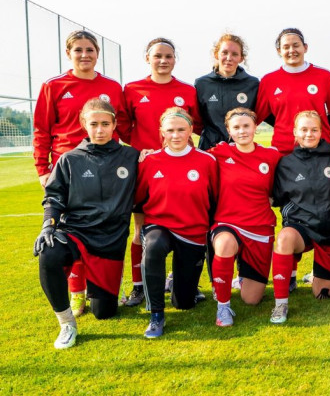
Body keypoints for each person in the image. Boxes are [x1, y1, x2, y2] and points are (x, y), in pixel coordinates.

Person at [33, 30, 124, 316]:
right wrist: (42, 169)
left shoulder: (112, 86)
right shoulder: (54, 85)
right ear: (68, 53)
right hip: (67, 168)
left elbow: (122, 128)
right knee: (71, 228)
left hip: (106, 167)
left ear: (98, 53)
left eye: (90, 50)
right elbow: (42, 129)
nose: (85, 55)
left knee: (103, 225)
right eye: (78, 50)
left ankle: (102, 289)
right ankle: (76, 293)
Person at [35, 99, 138, 349]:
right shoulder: (70, 159)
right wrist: (48, 226)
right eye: (94, 124)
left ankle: (89, 290)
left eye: (105, 124)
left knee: (104, 312)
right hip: (76, 231)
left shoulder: (132, 156)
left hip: (111, 239)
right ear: (84, 125)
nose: (100, 130)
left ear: (115, 124)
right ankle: (67, 323)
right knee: (49, 253)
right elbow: (54, 197)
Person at [117, 37, 200, 306]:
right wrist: (138, 149)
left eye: (168, 56)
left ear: (175, 59)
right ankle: (139, 285)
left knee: (185, 224)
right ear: (147, 58)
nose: (163, 60)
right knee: (140, 229)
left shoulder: (187, 90)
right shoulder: (132, 89)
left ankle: (180, 279)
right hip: (144, 168)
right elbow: (123, 125)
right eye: (157, 56)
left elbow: (196, 125)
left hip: (181, 168)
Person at [136, 107, 218, 338]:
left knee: (184, 303)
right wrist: (137, 230)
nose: (175, 135)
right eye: (170, 130)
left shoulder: (207, 161)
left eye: (181, 129)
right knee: (152, 247)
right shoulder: (150, 161)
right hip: (159, 226)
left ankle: (177, 285)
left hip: (192, 231)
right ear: (162, 132)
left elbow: (214, 198)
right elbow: (139, 198)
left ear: (191, 130)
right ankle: (156, 315)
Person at [205, 108, 282, 327]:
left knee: (251, 299)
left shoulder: (271, 155)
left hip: (260, 227)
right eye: (236, 127)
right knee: (225, 244)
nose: (242, 131)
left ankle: (239, 277)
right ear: (228, 131)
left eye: (246, 126)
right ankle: (223, 307)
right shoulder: (219, 153)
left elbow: (286, 182)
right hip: (228, 223)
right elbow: (189, 157)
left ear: (255, 127)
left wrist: (274, 199)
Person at [270, 111, 330, 324]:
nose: (309, 134)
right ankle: (281, 303)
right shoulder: (286, 164)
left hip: (329, 231)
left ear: (322, 132)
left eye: (314, 129)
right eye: (304, 129)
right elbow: (277, 198)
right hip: (300, 227)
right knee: (284, 238)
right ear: (295, 132)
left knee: (322, 294)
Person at [256, 28, 330, 154]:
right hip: (284, 152)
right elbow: (256, 117)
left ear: (305, 47)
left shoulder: (324, 76)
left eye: (296, 45)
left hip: (321, 149)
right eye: (286, 47)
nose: (291, 50)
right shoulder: (268, 81)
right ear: (279, 51)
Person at [195, 33, 260, 150]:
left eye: (234, 54)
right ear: (216, 54)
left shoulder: (253, 84)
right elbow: (196, 121)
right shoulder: (202, 84)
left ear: (241, 58)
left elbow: (259, 115)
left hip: (241, 150)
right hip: (209, 149)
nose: (229, 58)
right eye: (224, 53)